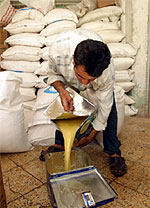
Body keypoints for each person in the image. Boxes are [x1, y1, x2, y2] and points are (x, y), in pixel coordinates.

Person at [39, 29, 127, 177]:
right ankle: (59, 143)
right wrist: (62, 90)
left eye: (90, 79)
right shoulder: (57, 52)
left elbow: (105, 105)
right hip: (68, 74)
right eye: (81, 76)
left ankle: (113, 152)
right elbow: (53, 75)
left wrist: (92, 134)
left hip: (101, 87)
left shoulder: (105, 71)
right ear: (73, 60)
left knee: (109, 106)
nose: (85, 83)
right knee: (67, 103)